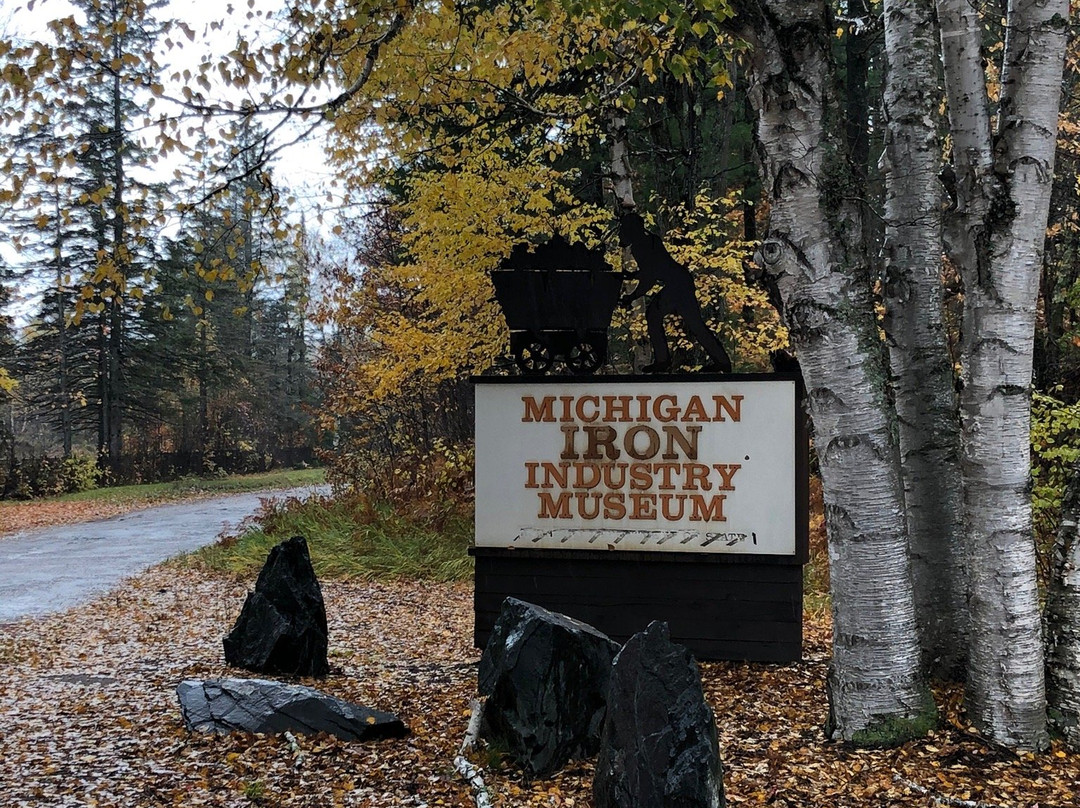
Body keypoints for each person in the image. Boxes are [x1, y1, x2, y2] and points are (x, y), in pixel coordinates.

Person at [618, 210, 733, 373]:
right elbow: (652, 270)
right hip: (680, 283)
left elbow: (649, 277)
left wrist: (631, 296)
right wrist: (633, 276)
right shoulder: (649, 240)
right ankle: (722, 361)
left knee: (654, 315)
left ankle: (663, 360)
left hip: (676, 286)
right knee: (695, 325)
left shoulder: (640, 246)